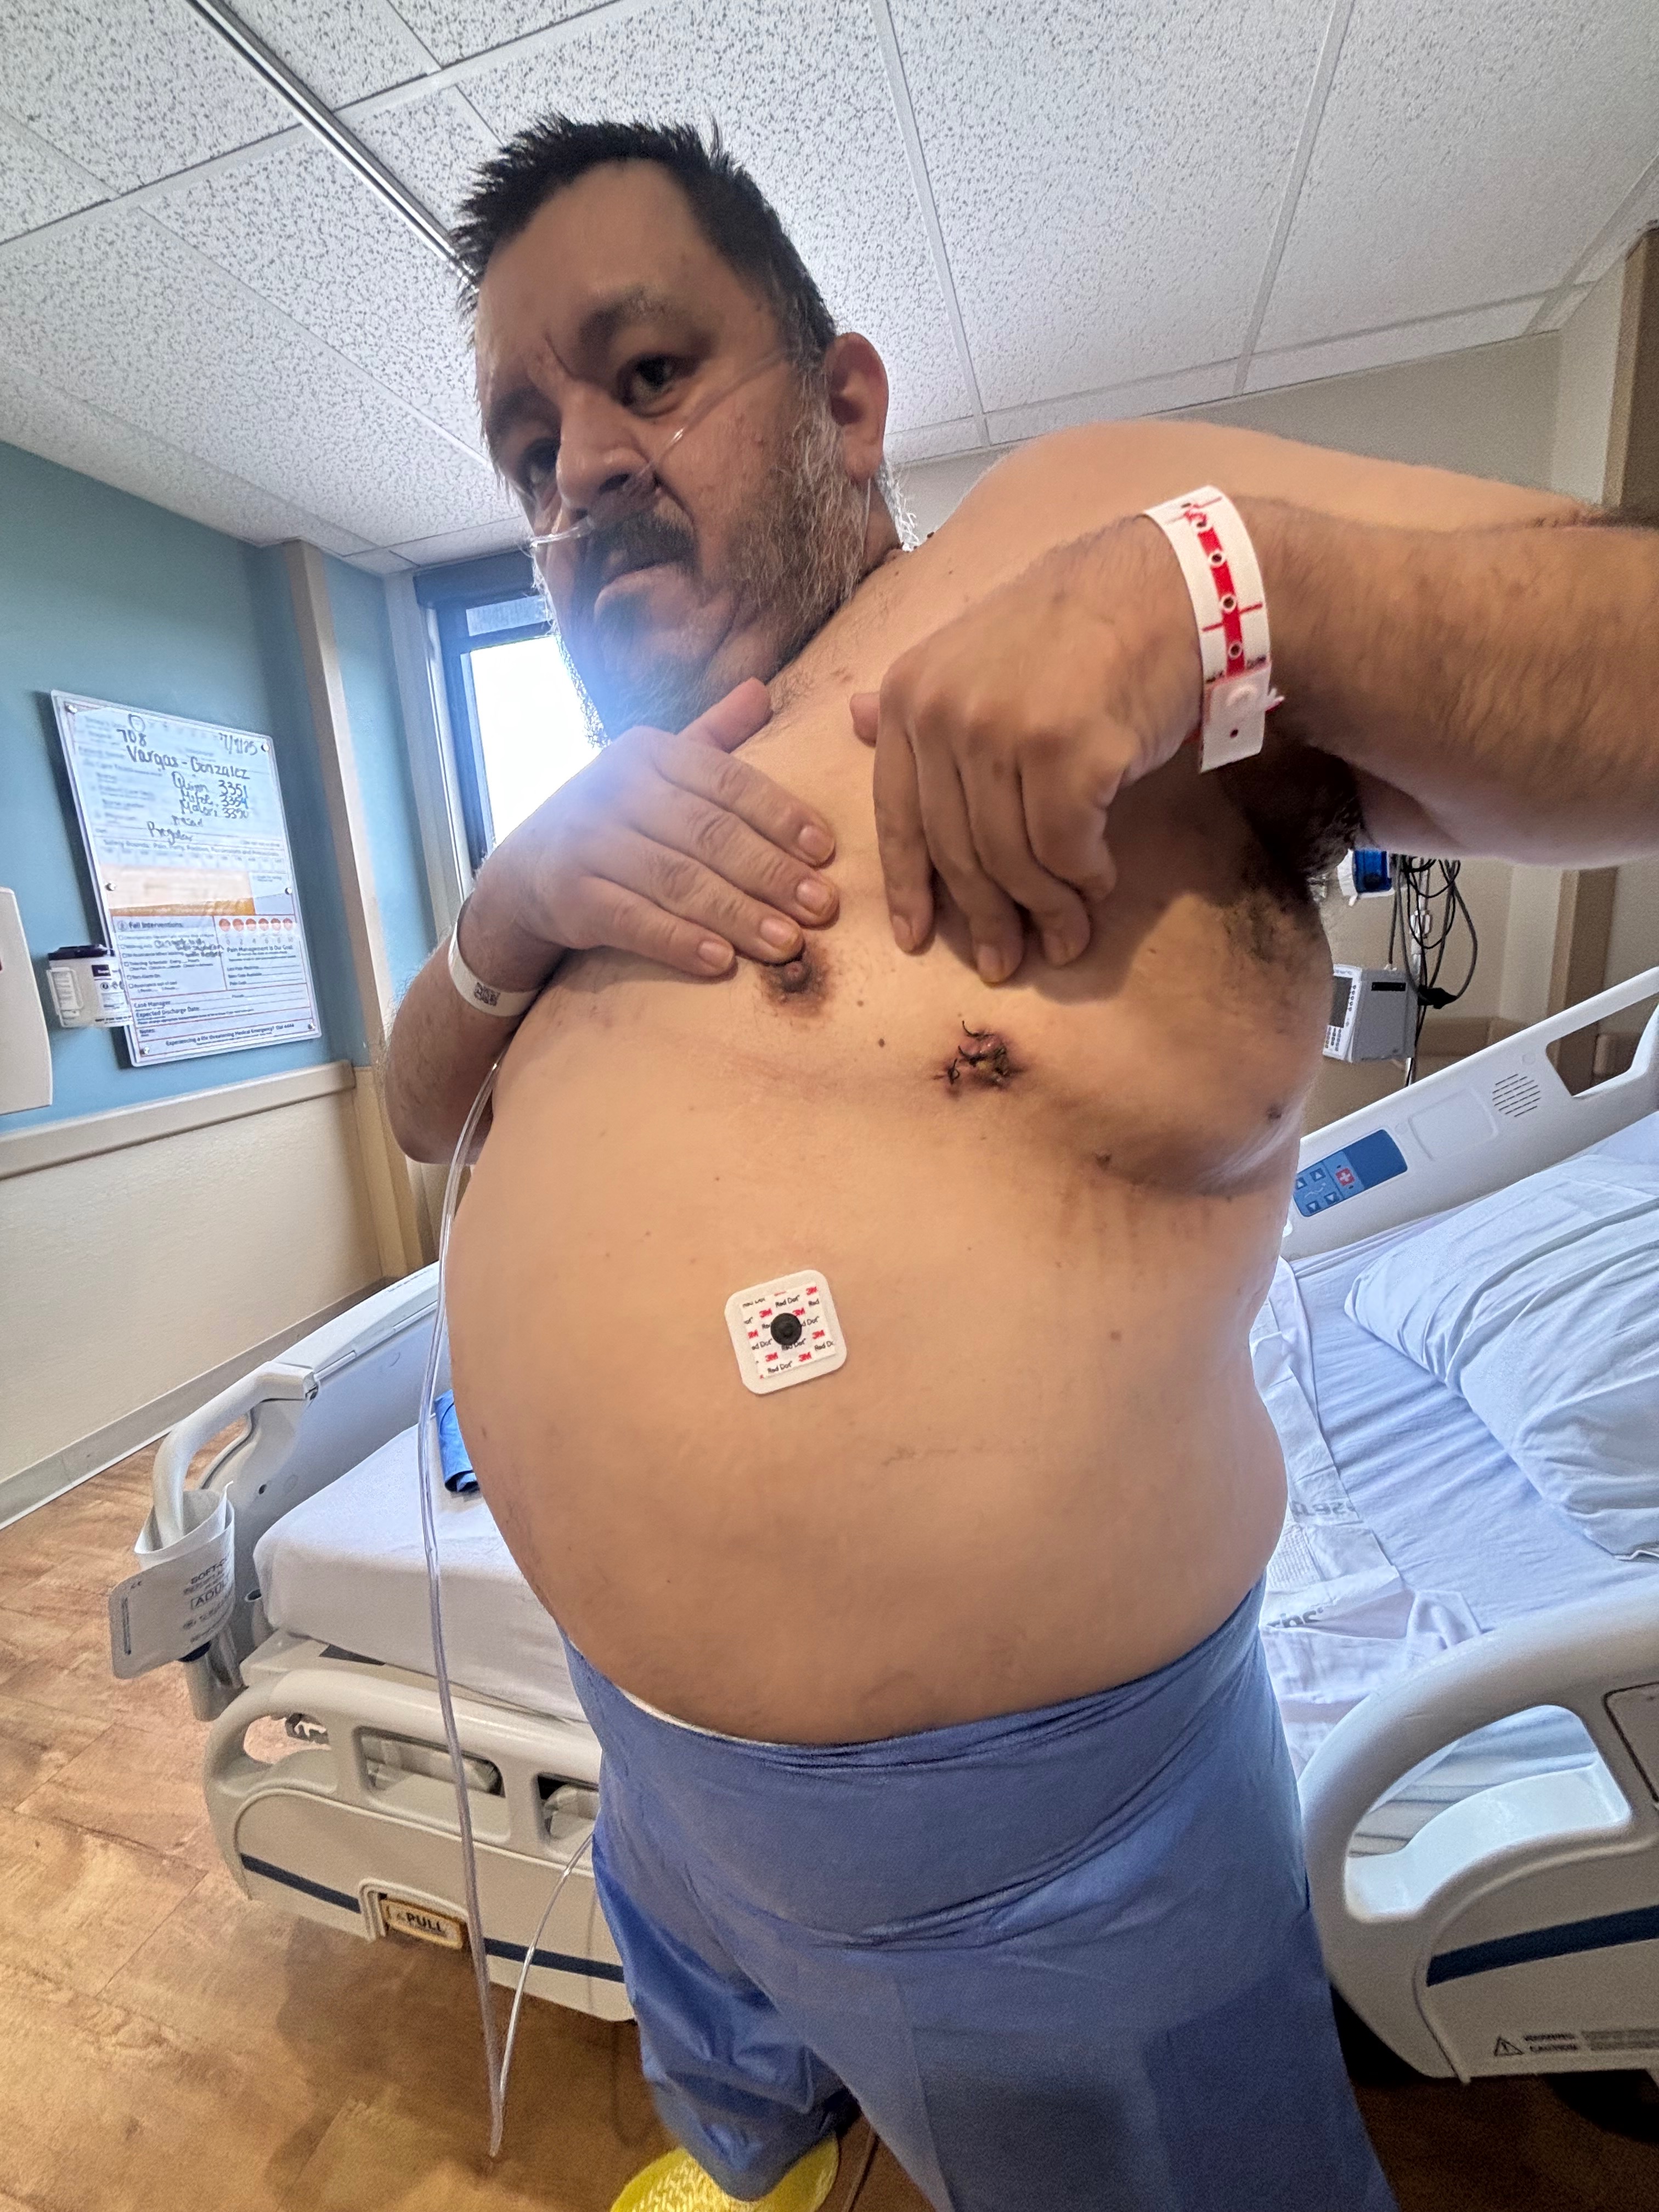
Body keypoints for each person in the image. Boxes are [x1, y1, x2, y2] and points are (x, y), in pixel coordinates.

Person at [382, 117, 1637, 2212]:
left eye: (649, 373)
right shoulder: (595, 812)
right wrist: (499, 923)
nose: (580, 468)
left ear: (847, 405)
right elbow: (418, 1113)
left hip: (1050, 1867)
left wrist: (1219, 598)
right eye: (526, 451)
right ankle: (772, 2145)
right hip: (659, 1776)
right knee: (745, 2100)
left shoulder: (1074, 541)